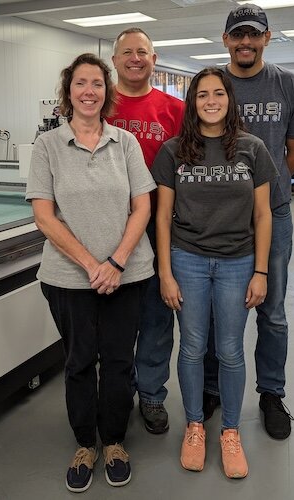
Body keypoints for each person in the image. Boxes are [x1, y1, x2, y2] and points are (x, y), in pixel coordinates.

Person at [26, 53, 156, 492]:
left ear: (108, 92)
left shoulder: (126, 143)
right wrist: (90, 265)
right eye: (80, 83)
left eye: (97, 84)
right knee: (80, 361)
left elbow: (143, 205)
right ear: (69, 92)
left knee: (119, 362)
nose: (89, 91)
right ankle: (86, 443)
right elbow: (44, 216)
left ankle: (115, 441)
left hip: (128, 273)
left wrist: (116, 261)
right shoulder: (47, 146)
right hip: (68, 278)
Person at [152, 67, 278, 477]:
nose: (210, 100)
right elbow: (163, 217)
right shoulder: (173, 151)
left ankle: (229, 431)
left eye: (218, 93)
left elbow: (263, 214)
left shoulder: (252, 148)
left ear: (229, 99)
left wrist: (260, 271)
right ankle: (194, 425)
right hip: (187, 259)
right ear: (192, 102)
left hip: (238, 261)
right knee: (191, 346)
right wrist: (166, 273)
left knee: (229, 350)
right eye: (202, 94)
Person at [203, 4, 294, 439]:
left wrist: (268, 193)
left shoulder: (290, 84)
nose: (245, 42)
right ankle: (211, 389)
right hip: (219, 218)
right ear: (226, 39)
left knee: (272, 311)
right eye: (237, 35)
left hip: (276, 215)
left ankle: (271, 394)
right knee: (215, 311)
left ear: (268, 38)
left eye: (254, 34)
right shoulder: (213, 85)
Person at [107, 27, 185, 434]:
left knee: (157, 314)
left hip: (159, 227)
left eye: (143, 52)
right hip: (108, 229)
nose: (135, 58)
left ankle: (152, 395)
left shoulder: (175, 109)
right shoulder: (97, 106)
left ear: (154, 60)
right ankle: (118, 389)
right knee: (114, 314)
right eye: (127, 53)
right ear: (115, 61)